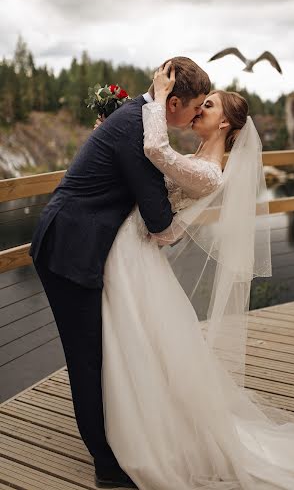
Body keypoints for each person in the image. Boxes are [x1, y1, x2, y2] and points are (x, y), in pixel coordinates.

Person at [98, 63, 294, 490]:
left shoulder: (209, 171)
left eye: (207, 104)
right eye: (199, 103)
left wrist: (156, 95)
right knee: (143, 340)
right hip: (134, 246)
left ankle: (146, 435)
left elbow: (155, 153)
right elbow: (151, 171)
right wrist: (112, 127)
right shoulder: (195, 160)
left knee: (137, 336)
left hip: (137, 249)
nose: (198, 109)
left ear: (224, 121)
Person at [29, 57, 210, 489]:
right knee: (87, 359)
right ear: (173, 103)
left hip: (79, 242)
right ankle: (106, 465)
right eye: (196, 105)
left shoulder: (140, 121)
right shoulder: (137, 127)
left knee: (99, 353)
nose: (198, 113)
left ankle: (115, 441)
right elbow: (156, 217)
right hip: (68, 248)